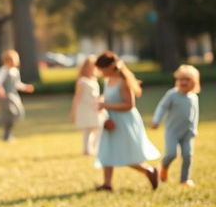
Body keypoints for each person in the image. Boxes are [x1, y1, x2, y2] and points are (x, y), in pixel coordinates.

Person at [94, 51, 159, 192]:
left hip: (124, 121)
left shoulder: (123, 82)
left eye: (101, 69)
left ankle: (149, 170)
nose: (99, 72)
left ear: (111, 66)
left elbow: (129, 105)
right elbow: (107, 97)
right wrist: (101, 101)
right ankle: (107, 184)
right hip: (110, 120)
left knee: (126, 154)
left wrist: (106, 105)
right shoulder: (107, 80)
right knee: (107, 151)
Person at [150, 64, 200, 187]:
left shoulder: (193, 97)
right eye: (180, 79)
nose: (183, 82)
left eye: (187, 79)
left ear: (194, 82)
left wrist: (194, 128)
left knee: (188, 155)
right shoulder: (172, 94)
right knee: (171, 154)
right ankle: (163, 167)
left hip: (188, 132)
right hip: (172, 131)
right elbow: (162, 107)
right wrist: (156, 120)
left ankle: (184, 179)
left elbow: (195, 114)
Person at [0, 49, 35, 141]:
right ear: (7, 60)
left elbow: (17, 84)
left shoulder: (15, 71)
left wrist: (25, 87)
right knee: (10, 114)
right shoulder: (3, 70)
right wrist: (0, 90)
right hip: (6, 96)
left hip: (14, 95)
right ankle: (6, 134)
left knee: (18, 114)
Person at [70, 56, 104, 155]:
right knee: (87, 130)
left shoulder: (94, 80)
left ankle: (93, 147)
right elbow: (77, 96)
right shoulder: (82, 81)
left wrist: (101, 100)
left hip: (94, 107)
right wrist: (73, 111)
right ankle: (87, 149)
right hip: (85, 108)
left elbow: (95, 95)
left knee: (97, 127)